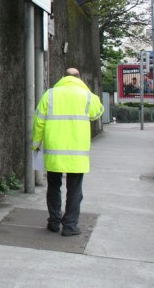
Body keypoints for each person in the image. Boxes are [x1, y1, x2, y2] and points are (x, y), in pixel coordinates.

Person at [32, 68, 104, 236]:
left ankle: (54, 222)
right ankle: (70, 226)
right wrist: (85, 89)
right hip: (77, 153)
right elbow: (97, 112)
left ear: (63, 77)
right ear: (79, 79)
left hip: (54, 151)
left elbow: (39, 122)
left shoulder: (50, 94)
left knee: (53, 187)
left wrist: (35, 145)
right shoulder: (87, 95)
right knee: (75, 190)